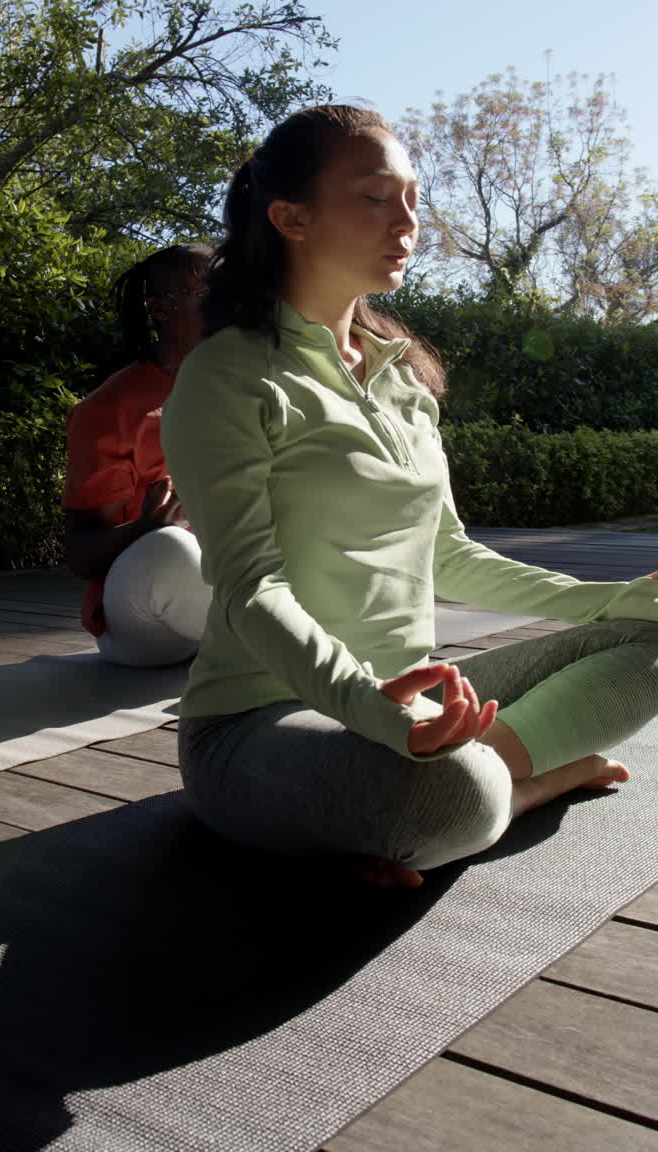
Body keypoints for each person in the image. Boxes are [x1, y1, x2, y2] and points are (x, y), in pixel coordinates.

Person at [160, 104, 658, 887]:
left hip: (415, 701)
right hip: (260, 722)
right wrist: (373, 710)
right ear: (290, 216)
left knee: (651, 642)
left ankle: (444, 804)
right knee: (450, 791)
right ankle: (506, 791)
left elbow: (449, 557)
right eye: (374, 196)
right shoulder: (230, 377)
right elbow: (253, 589)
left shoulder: (403, 377)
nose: (408, 220)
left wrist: (619, 597)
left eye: (414, 198)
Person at [63, 244, 212, 667]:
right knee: (167, 549)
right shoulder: (109, 410)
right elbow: (80, 553)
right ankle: (278, 658)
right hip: (146, 623)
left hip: (230, 589)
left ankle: (259, 652)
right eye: (207, 294)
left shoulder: (248, 388)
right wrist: (145, 527)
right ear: (160, 308)